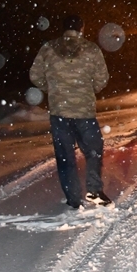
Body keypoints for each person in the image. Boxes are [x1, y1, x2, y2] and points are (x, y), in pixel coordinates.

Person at [30, 15, 112, 209]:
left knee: (65, 156)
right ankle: (94, 190)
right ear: (81, 28)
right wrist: (86, 89)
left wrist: (52, 89)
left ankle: (73, 199)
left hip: (59, 113)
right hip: (84, 113)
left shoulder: (48, 48)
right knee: (93, 151)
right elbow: (102, 80)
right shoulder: (91, 49)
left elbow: (34, 75)